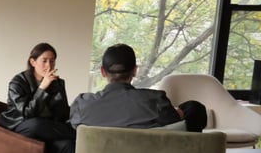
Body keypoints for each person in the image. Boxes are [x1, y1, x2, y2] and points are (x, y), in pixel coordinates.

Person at [69, 43, 207, 131]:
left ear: (103, 72)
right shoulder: (156, 102)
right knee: (194, 109)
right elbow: (175, 122)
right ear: (135, 70)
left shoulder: (82, 105)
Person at [0, 42, 76, 153]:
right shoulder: (18, 82)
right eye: (44, 60)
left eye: (52, 60)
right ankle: (77, 133)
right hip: (20, 127)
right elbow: (27, 113)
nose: (49, 65)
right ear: (33, 62)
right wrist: (42, 88)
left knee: (67, 144)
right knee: (36, 124)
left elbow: (62, 113)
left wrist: (55, 89)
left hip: (49, 129)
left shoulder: (58, 83)